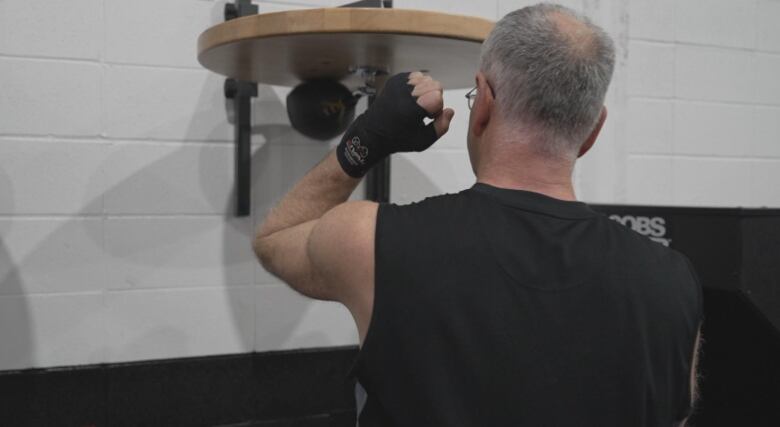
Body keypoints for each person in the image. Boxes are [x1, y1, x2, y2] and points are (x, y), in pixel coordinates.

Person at [253, 3, 702, 426]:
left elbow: (275, 238)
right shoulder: (673, 283)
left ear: (484, 101)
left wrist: (367, 139)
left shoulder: (376, 242)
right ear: (593, 130)